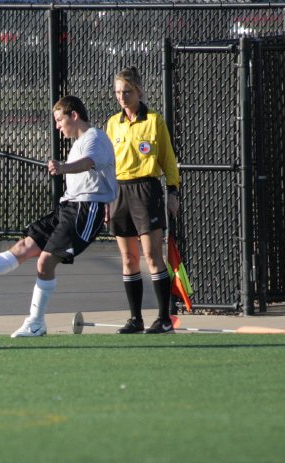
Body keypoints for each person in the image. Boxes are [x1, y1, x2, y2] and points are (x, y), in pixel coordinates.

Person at [0, 95, 117, 337]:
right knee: (23, 247)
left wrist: (63, 167)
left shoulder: (94, 137)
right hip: (67, 208)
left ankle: (35, 323)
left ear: (74, 116)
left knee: (45, 262)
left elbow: (89, 163)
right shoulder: (78, 143)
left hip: (87, 210)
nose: (57, 126)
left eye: (59, 120)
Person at [105, 67, 180, 334]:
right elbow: (109, 163)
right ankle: (135, 318)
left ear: (139, 91)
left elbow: (168, 160)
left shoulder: (154, 121)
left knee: (151, 255)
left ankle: (164, 318)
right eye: (117, 92)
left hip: (146, 190)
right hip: (119, 193)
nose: (122, 97)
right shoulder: (114, 123)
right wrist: (106, 199)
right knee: (128, 258)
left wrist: (172, 191)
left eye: (127, 91)